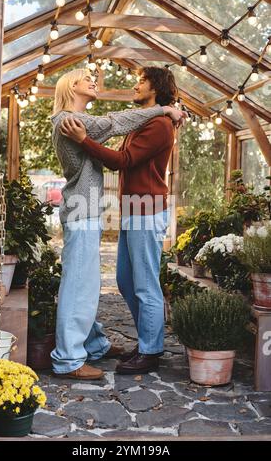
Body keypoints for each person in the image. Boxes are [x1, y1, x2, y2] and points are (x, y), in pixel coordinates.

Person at [50, 68, 185, 380]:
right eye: (88, 79)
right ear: (71, 86)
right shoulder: (73, 120)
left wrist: (166, 112)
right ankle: (98, 347)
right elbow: (114, 126)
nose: (134, 84)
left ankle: (149, 350)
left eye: (141, 80)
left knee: (141, 284)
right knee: (117, 281)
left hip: (145, 208)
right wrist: (166, 108)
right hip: (122, 208)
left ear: (157, 86)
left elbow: (121, 159)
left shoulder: (159, 125)